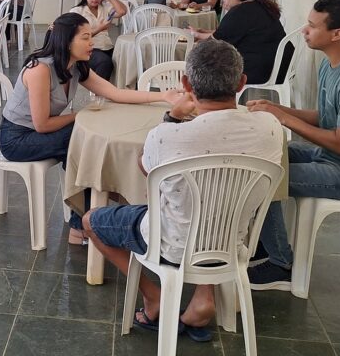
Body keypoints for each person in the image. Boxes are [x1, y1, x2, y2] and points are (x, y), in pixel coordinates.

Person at [82, 39, 283, 339]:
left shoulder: (167, 136)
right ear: (242, 83)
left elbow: (145, 166)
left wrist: (172, 117)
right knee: (215, 205)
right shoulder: (270, 127)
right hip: (232, 241)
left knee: (90, 221)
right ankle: (204, 296)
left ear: (186, 84)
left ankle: (154, 297)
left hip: (172, 244)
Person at [246, 0, 340, 290]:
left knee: (263, 175)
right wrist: (277, 108)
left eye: (312, 26)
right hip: (333, 158)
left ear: (337, 33)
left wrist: (285, 119)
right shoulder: (331, 63)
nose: (304, 30)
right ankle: (267, 240)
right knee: (264, 156)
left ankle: (280, 263)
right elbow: (325, 117)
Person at [0, 12, 182, 243]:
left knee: (81, 144)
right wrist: (79, 115)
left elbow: (115, 93)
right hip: (16, 139)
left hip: (39, 133)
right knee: (80, 140)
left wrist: (163, 96)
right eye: (85, 38)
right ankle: (84, 223)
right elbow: (42, 124)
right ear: (67, 41)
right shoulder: (40, 70)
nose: (92, 43)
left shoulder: (76, 67)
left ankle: (89, 215)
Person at [189, 0, 289, 84]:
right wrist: (202, 32)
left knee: (209, 64)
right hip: (279, 67)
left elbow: (215, 41)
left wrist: (195, 34)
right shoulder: (260, 6)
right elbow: (227, 34)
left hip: (260, 71)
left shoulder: (240, 11)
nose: (223, 1)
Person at [69, 0, 128, 80]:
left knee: (125, 59)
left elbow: (122, 11)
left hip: (107, 47)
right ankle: (99, 89)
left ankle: (121, 88)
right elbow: (76, 37)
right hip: (89, 48)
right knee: (105, 62)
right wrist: (100, 29)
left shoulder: (104, 8)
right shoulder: (77, 11)